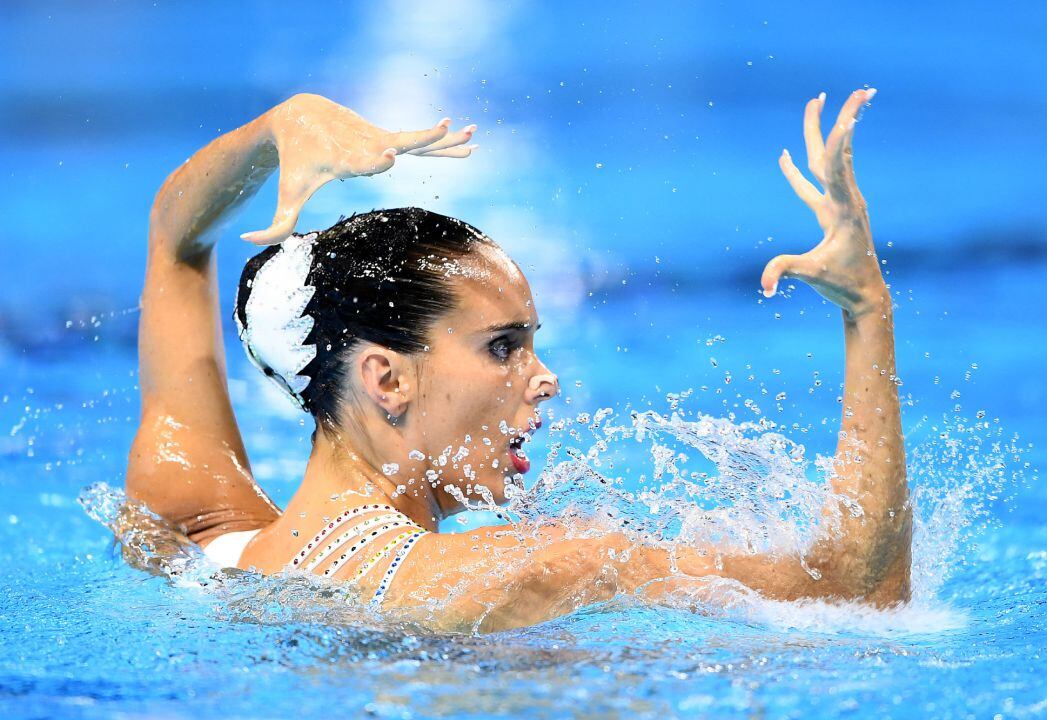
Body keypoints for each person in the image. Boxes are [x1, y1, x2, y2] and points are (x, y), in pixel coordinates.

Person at [125, 90, 911, 632]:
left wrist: (279, 126)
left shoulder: (200, 536)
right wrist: (866, 310)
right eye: (503, 346)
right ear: (386, 379)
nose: (545, 379)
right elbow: (860, 593)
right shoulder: (528, 571)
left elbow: (173, 235)